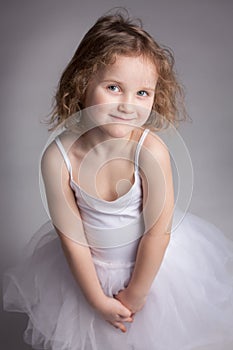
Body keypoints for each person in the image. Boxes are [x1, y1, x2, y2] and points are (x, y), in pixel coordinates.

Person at [3, 11, 233, 350]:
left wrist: (136, 295)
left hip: (152, 269)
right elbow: (73, 239)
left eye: (143, 93)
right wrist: (96, 299)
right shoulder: (59, 157)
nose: (128, 105)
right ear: (82, 84)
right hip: (88, 273)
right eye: (114, 88)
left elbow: (157, 232)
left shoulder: (149, 150)